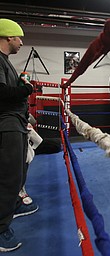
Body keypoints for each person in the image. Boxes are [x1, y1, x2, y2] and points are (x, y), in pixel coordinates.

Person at [0, 18, 39, 252]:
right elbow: (2, 92)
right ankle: (1, 229)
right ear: (7, 38)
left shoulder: (5, 62)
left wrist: (22, 83)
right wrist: (27, 89)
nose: (22, 42)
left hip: (15, 122)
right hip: (7, 124)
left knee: (17, 172)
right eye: (18, 37)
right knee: (8, 176)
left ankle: (13, 205)